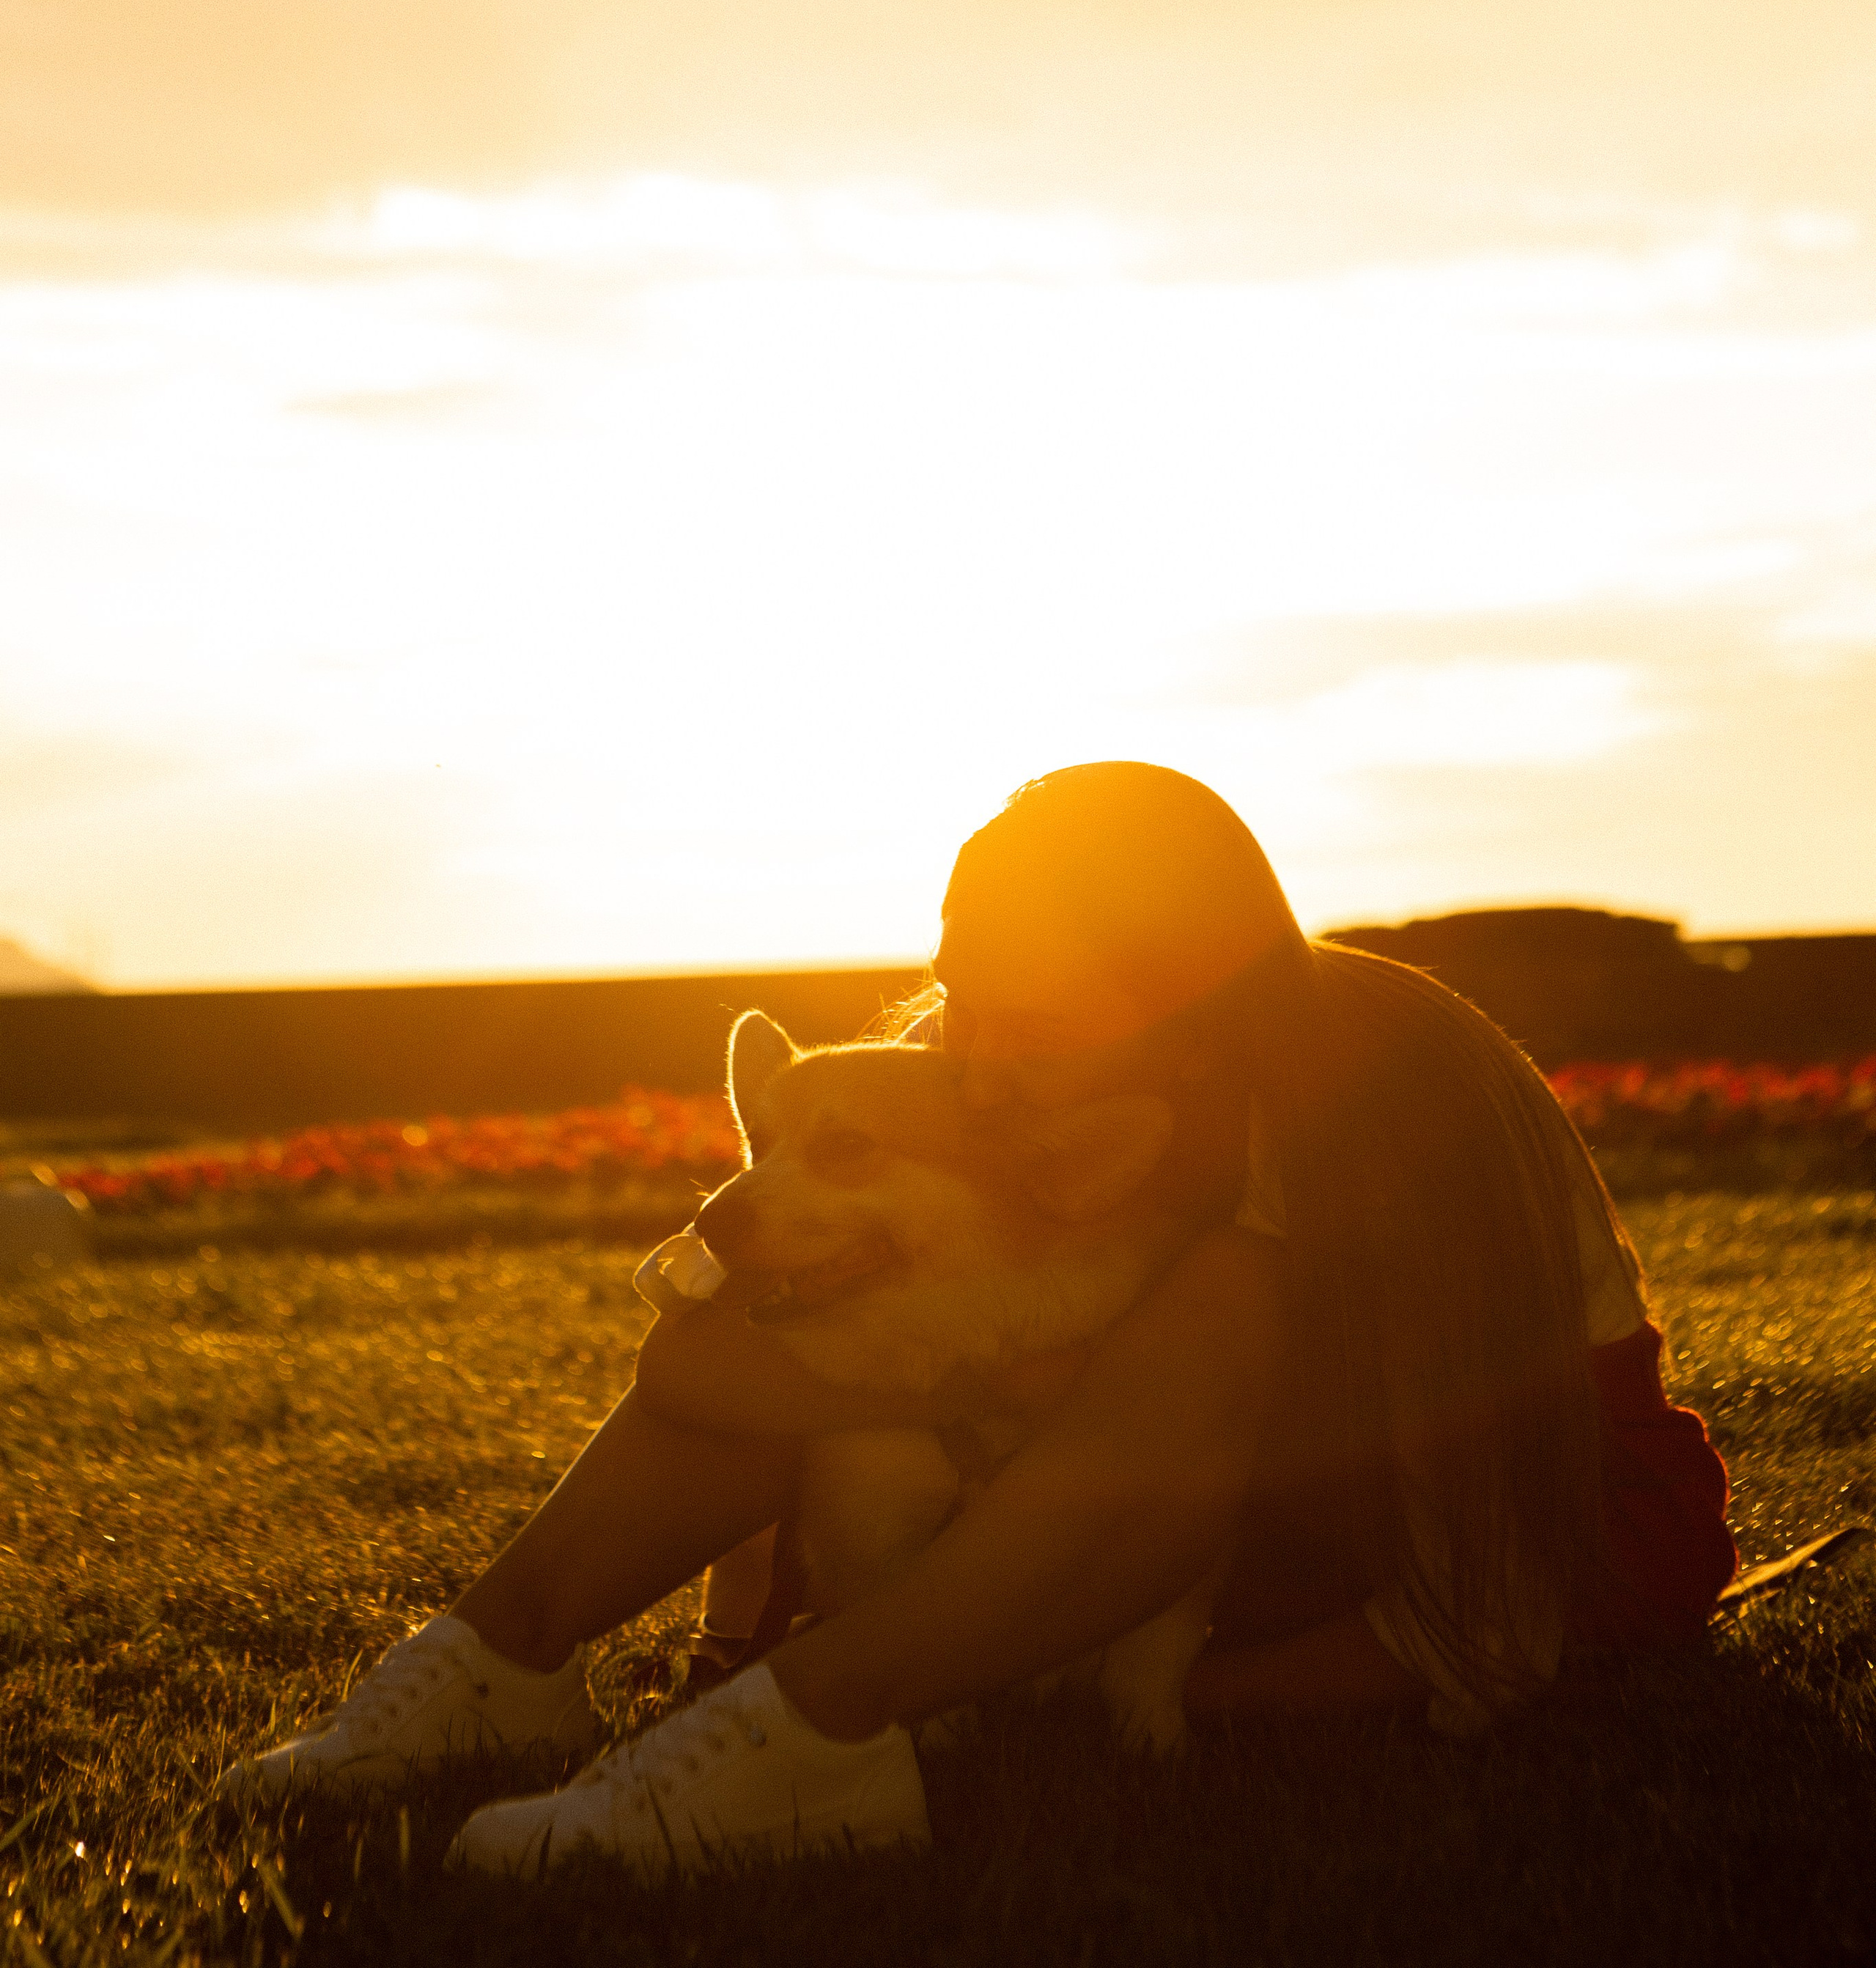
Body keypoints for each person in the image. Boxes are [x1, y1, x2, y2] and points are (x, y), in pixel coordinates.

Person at [223, 764, 1735, 1875]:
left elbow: (1491, 1594)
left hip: (1501, 1522)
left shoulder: (1382, 1112)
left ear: (1186, 1014)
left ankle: (814, 1732)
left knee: (1189, 1316)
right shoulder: (969, 1084)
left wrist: (1131, 1687)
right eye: (962, 992)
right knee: (847, 1302)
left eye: (1038, 1021)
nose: (977, 1060)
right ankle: (500, 1663)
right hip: (1160, 1527)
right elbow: (695, 1362)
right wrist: (994, 1370)